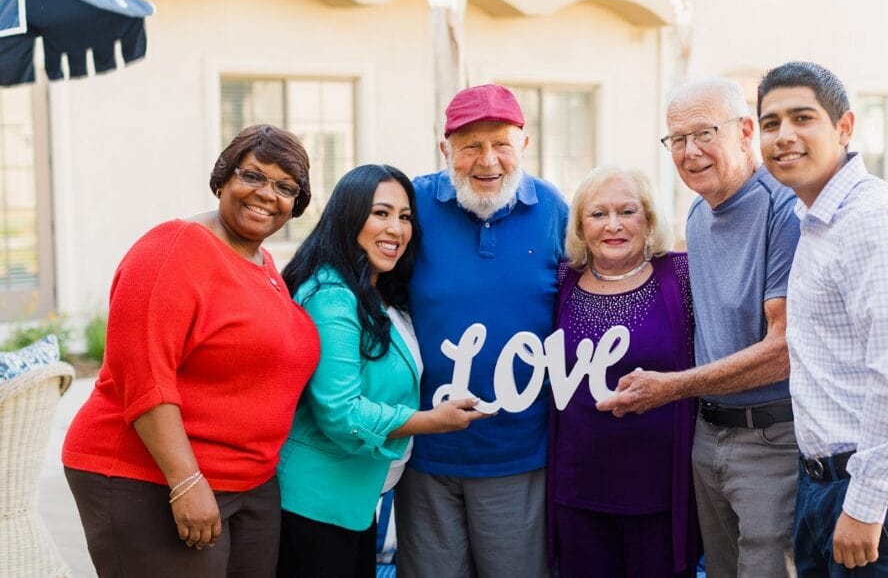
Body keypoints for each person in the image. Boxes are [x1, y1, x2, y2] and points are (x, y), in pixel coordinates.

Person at [62, 125, 321, 577]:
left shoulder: (262, 264)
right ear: (222, 178)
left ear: (295, 206)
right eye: (253, 176)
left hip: (248, 482)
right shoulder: (172, 249)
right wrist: (185, 481)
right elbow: (143, 376)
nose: (266, 194)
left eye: (285, 187)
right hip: (150, 478)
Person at [597, 78, 801, 578]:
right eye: (677, 140)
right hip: (707, 436)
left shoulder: (784, 209)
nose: (690, 152)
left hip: (771, 437)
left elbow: (783, 349)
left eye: (704, 133)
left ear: (745, 131)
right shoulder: (698, 213)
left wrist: (671, 388)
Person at [757, 61, 888, 574]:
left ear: (844, 127)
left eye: (803, 118)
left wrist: (864, 505)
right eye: (771, 123)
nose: (784, 136)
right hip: (828, 482)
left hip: (881, 488)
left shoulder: (873, 222)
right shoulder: (817, 220)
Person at [275, 164, 487, 577]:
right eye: (381, 213)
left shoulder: (377, 293)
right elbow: (342, 413)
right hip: (314, 504)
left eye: (405, 217)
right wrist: (430, 422)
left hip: (353, 501)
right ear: (349, 216)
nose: (396, 229)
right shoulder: (332, 297)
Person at [396, 83, 568, 578]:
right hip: (424, 449)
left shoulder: (554, 210)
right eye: (470, 145)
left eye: (501, 144)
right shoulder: (413, 204)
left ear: (524, 146)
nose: (488, 160)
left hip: (518, 451)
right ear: (444, 148)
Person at [548, 166, 701, 577]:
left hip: (661, 490)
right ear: (581, 224)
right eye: (598, 214)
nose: (612, 225)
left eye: (627, 211)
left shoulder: (681, 276)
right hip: (578, 488)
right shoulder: (562, 281)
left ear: (649, 218)